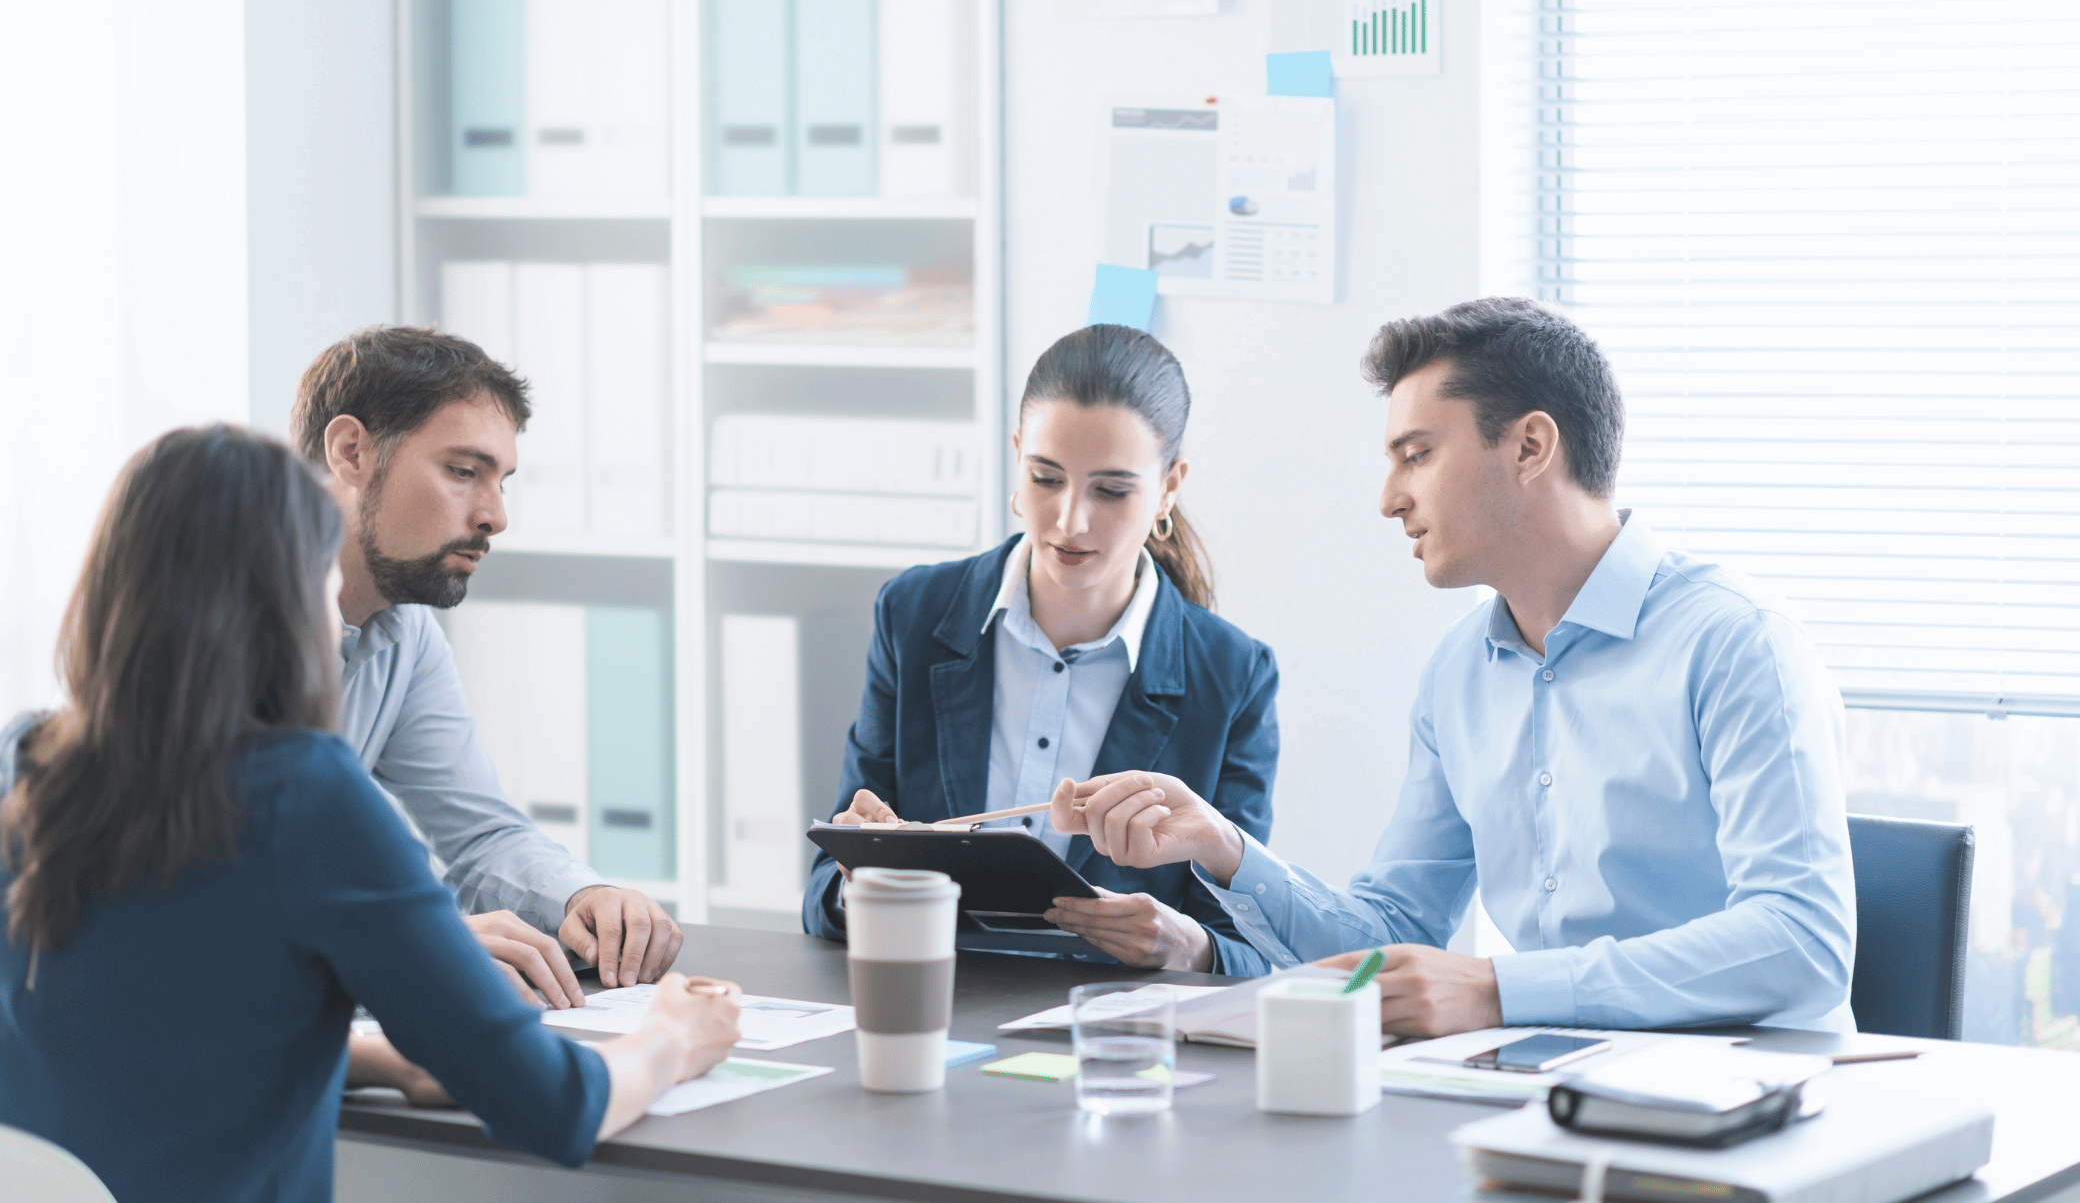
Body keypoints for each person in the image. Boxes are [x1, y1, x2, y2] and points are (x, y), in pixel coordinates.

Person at [1056, 297, 1857, 1032]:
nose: (1389, 499)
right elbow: (1393, 934)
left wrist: (1501, 992)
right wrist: (1222, 845)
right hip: (1548, 1086)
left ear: (1531, 447)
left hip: (1749, 1105)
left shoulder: (1738, 643)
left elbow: (1802, 941)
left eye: (1417, 455)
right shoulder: (1459, 674)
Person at [0, 426, 740, 1203]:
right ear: (287, 599)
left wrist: (385, 1061)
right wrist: (674, 1038)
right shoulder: (305, 793)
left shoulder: (31, 760)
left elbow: (132, 1029)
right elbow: (553, 1105)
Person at [802, 325, 1278, 975]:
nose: (1070, 520)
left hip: (1116, 1031)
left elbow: (1252, 948)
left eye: (1111, 490)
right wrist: (857, 886)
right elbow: (822, 887)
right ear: (1018, 455)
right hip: (932, 1002)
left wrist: (1187, 946)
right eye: (1046, 477)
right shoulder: (914, 615)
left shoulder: (1232, 675)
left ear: (1169, 486)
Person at [291, 326, 679, 1004]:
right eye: (463, 472)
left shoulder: (404, 630)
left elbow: (480, 837)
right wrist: (412, 937)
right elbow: (191, 896)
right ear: (352, 452)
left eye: (501, 482)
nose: (495, 516)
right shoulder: (215, 622)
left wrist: (583, 896)